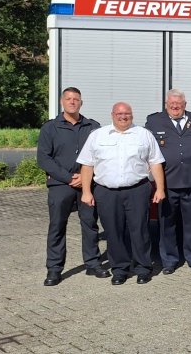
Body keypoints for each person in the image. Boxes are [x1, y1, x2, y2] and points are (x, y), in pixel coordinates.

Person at [77, 102, 166, 285]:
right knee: (113, 232)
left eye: (127, 113)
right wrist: (86, 192)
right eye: (119, 113)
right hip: (106, 192)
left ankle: (143, 268)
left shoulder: (144, 134)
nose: (123, 116)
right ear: (112, 115)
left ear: (132, 115)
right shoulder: (97, 135)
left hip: (137, 190)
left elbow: (155, 162)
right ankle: (120, 269)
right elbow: (87, 165)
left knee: (140, 230)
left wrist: (160, 188)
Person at [38, 87, 107, 286]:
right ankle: (54, 269)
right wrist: (69, 178)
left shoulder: (93, 126)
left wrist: (87, 176)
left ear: (81, 103)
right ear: (62, 102)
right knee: (57, 226)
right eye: (68, 99)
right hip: (61, 185)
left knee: (90, 224)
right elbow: (44, 158)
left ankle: (93, 264)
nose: (72, 102)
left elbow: (100, 155)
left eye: (76, 99)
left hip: (87, 184)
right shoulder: (50, 128)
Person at [145, 89, 191, 274]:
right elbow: (149, 148)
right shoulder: (154, 121)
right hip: (166, 183)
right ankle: (169, 260)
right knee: (167, 224)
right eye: (171, 104)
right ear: (166, 105)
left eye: (178, 104)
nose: (175, 107)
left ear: (185, 105)